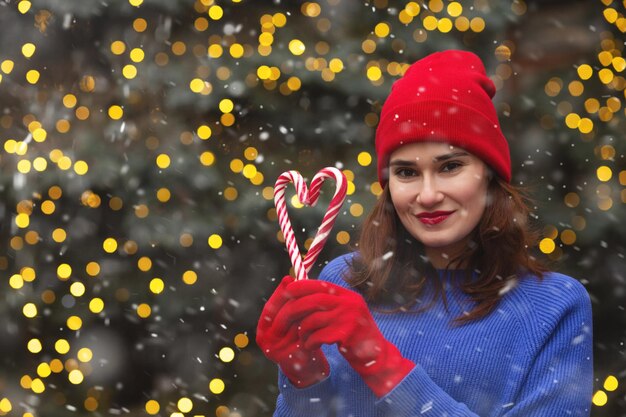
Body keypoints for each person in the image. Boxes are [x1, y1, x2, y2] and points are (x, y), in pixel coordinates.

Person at [256, 50, 593, 416]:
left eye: (450, 166)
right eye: (406, 172)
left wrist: (382, 363)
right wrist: (304, 379)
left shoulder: (554, 306)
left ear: (490, 176)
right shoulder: (343, 283)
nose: (427, 195)